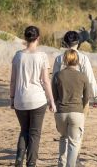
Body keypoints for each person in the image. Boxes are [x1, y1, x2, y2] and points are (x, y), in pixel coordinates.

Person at [10, 26, 56, 167]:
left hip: (20, 99)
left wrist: (12, 98)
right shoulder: (42, 56)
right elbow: (46, 81)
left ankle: (19, 160)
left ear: (25, 38)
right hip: (37, 99)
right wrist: (51, 100)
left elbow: (13, 80)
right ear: (38, 38)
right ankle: (31, 163)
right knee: (35, 133)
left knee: (24, 130)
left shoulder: (18, 56)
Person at [52, 31, 97, 165]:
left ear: (65, 43)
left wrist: (52, 100)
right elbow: (89, 79)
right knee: (77, 134)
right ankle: (75, 160)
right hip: (80, 100)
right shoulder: (83, 58)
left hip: (62, 101)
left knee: (64, 136)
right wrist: (95, 97)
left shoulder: (59, 58)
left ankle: (64, 162)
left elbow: (54, 80)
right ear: (78, 43)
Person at [53, 49, 90, 167]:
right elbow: (87, 97)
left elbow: (54, 96)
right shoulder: (82, 76)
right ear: (77, 61)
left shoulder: (58, 75)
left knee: (63, 137)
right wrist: (81, 107)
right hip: (76, 111)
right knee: (74, 142)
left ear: (65, 60)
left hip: (61, 112)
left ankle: (61, 163)